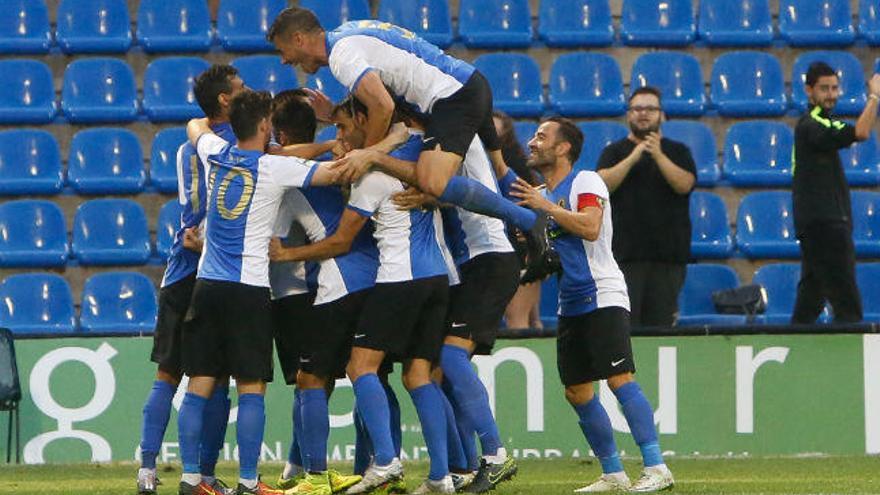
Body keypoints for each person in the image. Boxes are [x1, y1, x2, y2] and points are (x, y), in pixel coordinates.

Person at [266, 8, 559, 282]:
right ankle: (546, 229)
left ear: (298, 39)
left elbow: (381, 106)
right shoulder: (349, 34)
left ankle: (530, 221)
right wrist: (336, 119)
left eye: (282, 51)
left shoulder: (341, 55)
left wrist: (367, 155)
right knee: (498, 168)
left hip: (451, 98)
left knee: (433, 182)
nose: (283, 60)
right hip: (469, 82)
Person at [175, 90, 347, 495]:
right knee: (252, 387)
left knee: (200, 381)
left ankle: (189, 478)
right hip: (248, 289)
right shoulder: (273, 167)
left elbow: (194, 127)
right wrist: (348, 145)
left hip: (206, 286)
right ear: (267, 126)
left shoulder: (215, 153)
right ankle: (249, 482)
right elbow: (334, 174)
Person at [511, 117, 674, 493]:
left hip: (602, 292)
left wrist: (543, 209)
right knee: (577, 390)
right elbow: (546, 253)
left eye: (541, 136)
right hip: (570, 301)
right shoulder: (541, 194)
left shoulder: (586, 181)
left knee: (619, 378)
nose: (532, 142)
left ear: (564, 147)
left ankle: (656, 465)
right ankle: (613, 472)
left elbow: (590, 227)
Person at [136, 64, 244, 495]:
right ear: (224, 100)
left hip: (179, 268)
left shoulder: (186, 148)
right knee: (214, 377)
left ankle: (146, 468)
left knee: (169, 373)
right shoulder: (241, 145)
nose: (248, 93)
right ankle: (204, 472)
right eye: (241, 89)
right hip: (216, 271)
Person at [596, 87, 696, 328]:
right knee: (623, 328)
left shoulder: (678, 151)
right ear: (629, 114)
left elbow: (685, 185)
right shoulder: (614, 151)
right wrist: (634, 155)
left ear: (661, 115)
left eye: (650, 109)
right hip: (624, 257)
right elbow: (602, 185)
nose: (643, 114)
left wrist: (658, 155)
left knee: (661, 330)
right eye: (637, 109)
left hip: (667, 259)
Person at [791, 63, 880, 324]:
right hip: (825, 224)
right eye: (824, 89)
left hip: (821, 224)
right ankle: (854, 360)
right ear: (809, 91)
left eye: (834, 88)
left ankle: (792, 348)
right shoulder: (811, 124)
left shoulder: (819, 123)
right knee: (847, 302)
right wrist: (874, 97)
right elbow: (861, 132)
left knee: (810, 299)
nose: (831, 94)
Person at [493, 111, 544, 330]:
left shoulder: (511, 165)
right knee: (531, 318)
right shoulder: (519, 163)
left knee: (518, 319)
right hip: (526, 245)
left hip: (518, 247)